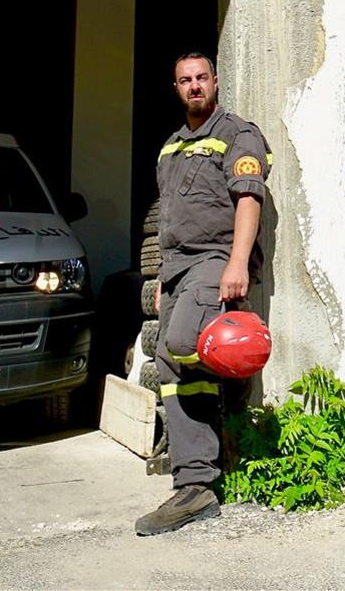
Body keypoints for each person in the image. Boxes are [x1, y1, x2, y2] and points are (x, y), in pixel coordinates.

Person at [135, 52, 271, 537]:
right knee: (171, 365)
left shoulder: (238, 133)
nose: (195, 86)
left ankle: (220, 433)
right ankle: (196, 483)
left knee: (179, 344)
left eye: (201, 78)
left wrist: (237, 262)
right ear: (176, 88)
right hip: (177, 270)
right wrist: (162, 280)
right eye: (185, 81)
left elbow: (248, 199)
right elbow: (168, 222)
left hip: (214, 261)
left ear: (215, 81)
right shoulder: (170, 148)